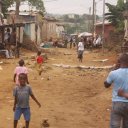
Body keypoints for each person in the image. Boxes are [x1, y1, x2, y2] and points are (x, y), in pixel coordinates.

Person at [104, 53, 128, 128]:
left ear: (119, 61)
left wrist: (114, 69)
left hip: (117, 103)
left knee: (115, 125)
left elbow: (106, 85)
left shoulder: (113, 73)